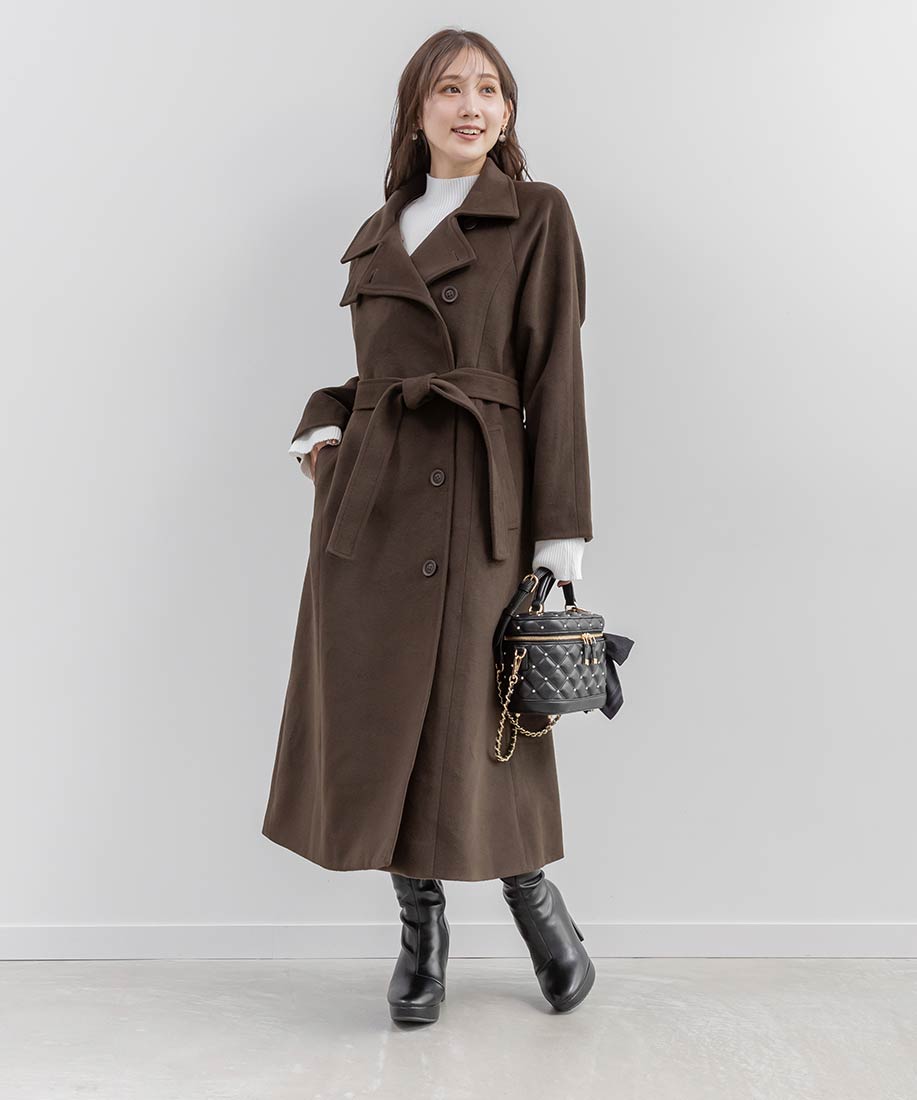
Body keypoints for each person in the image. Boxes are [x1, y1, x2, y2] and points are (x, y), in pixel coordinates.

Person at [262, 28, 596, 1023]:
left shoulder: (535, 213)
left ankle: (536, 906)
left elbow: (555, 378)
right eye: (448, 88)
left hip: (479, 501)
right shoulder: (379, 230)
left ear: (507, 111)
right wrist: (321, 429)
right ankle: (420, 933)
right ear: (416, 111)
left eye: (488, 89)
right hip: (368, 514)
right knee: (379, 722)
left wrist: (559, 538)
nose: (470, 105)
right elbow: (378, 376)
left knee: (482, 721)